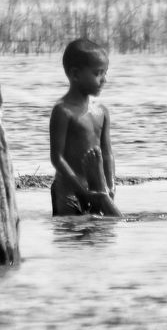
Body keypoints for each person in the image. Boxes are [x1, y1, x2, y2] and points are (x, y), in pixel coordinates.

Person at [48, 38, 122, 216]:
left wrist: (110, 187)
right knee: (71, 231)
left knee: (101, 235)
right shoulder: (63, 111)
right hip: (68, 192)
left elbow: (107, 152)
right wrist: (81, 191)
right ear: (75, 74)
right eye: (98, 74)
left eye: (105, 73)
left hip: (97, 189)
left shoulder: (101, 111)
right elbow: (57, 158)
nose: (104, 80)